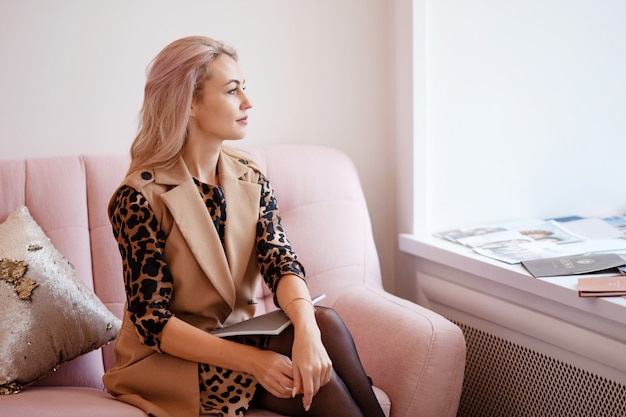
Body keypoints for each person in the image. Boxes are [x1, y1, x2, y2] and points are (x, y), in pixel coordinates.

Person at [103, 35, 386, 417]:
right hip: (172, 360)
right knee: (320, 388)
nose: (248, 103)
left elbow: (281, 261)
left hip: (238, 337)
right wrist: (254, 362)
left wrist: (307, 332)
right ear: (189, 103)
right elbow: (154, 323)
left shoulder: (249, 177)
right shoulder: (138, 198)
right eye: (233, 91)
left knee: (324, 324)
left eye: (244, 89)